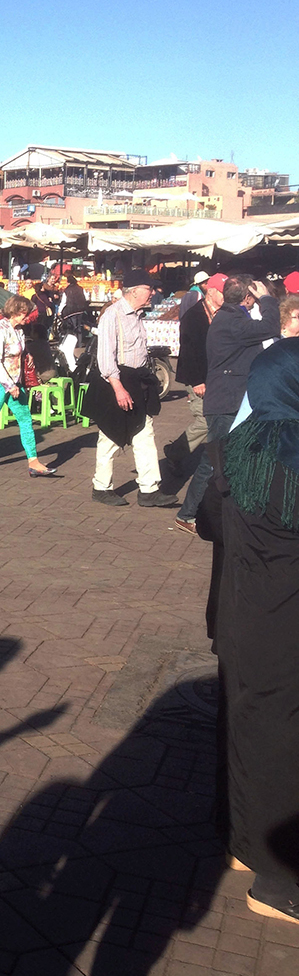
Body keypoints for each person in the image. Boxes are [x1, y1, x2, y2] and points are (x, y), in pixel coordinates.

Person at [207, 337, 299, 923]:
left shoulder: (231, 448)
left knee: (245, 721)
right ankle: (277, 879)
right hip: (286, 619)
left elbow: (209, 523)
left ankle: (244, 844)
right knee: (282, 738)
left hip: (240, 612)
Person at [175, 273, 280, 533]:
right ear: (247, 298)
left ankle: (222, 510)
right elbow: (269, 326)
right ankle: (187, 514)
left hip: (230, 399)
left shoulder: (231, 317)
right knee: (213, 460)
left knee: (227, 457)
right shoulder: (232, 322)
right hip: (225, 401)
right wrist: (267, 299)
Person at [83, 271, 177, 509]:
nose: (153, 293)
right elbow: (106, 358)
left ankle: (149, 489)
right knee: (110, 436)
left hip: (137, 381)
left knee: (144, 433)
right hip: (115, 382)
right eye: (149, 288)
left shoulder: (137, 316)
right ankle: (101, 487)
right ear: (134, 290)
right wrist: (118, 388)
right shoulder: (112, 316)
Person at [0, 295, 57, 478]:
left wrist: (27, 356)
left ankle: (33, 461)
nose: (28, 318)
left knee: (25, 420)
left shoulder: (19, 331)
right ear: (16, 312)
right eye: (25, 314)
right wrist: (9, 385)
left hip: (15, 382)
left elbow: (18, 350)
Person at [163, 273, 226, 475]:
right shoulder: (194, 316)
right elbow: (190, 351)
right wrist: (198, 381)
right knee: (205, 421)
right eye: (224, 293)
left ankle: (213, 461)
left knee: (216, 418)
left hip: (216, 376)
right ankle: (175, 452)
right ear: (212, 291)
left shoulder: (224, 313)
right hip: (197, 376)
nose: (227, 296)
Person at [54, 273, 89, 372]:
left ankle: (73, 344)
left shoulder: (67, 290)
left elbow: (64, 301)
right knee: (79, 327)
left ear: (68, 281)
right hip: (80, 310)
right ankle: (79, 344)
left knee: (72, 328)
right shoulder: (80, 288)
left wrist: (59, 311)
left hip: (70, 311)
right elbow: (85, 298)